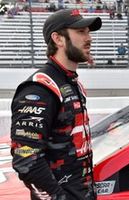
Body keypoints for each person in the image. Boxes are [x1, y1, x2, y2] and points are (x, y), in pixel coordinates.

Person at [10, 9, 102, 200]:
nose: (89, 38)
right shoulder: (39, 88)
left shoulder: (71, 83)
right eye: (81, 32)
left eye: (88, 32)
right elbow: (26, 158)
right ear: (58, 39)